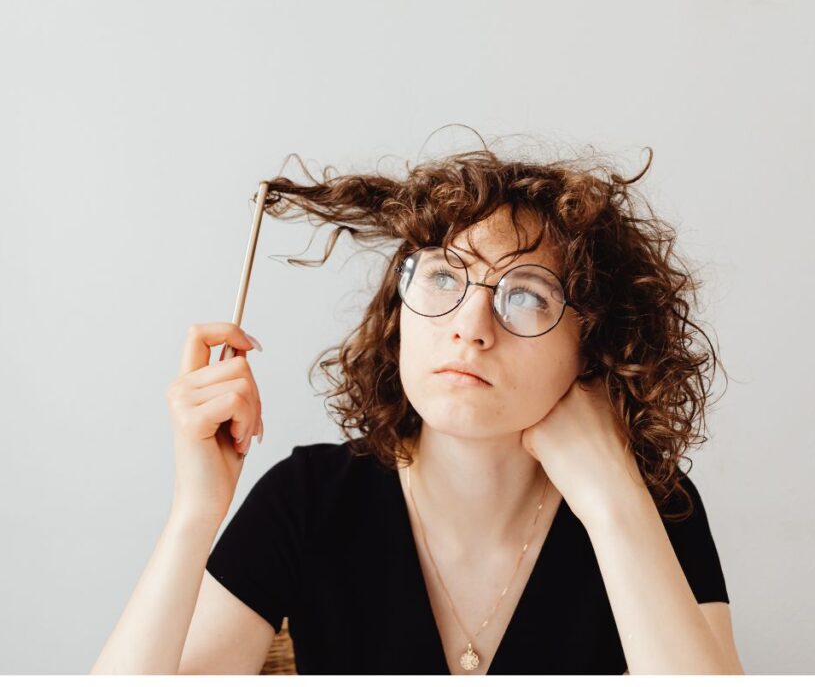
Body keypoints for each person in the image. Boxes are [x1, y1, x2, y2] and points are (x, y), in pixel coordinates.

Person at [91, 141, 744, 675]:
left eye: (526, 296)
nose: (470, 326)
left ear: (594, 345)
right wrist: (195, 512)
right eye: (442, 277)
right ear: (399, 309)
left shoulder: (655, 504)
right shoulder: (310, 498)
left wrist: (612, 502)